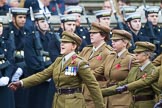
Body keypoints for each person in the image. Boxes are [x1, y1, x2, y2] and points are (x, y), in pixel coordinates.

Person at [8, 31, 105, 108]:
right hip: (58, 101)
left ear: (74, 46)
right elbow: (42, 75)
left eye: (65, 43)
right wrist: (21, 83)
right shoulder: (59, 61)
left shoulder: (79, 63)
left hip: (73, 103)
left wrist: (100, 106)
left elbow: (93, 85)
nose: (62, 44)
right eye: (61, 42)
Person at [102, 41, 161, 108]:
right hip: (133, 103)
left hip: (147, 104)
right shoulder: (134, 69)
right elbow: (122, 84)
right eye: (135, 53)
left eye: (138, 53)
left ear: (147, 55)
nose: (135, 55)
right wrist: (101, 92)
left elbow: (158, 91)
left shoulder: (153, 71)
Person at [93, 29, 138, 108]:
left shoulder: (131, 59)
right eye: (112, 40)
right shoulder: (110, 57)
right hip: (107, 99)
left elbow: (133, 81)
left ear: (125, 42)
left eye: (116, 41)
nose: (112, 43)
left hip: (122, 99)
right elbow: (97, 72)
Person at [79, 22, 114, 108]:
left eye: (94, 33)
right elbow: (71, 67)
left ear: (103, 36)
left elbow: (105, 73)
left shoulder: (108, 52)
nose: (91, 35)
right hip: (81, 92)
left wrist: (81, 74)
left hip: (96, 94)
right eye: (91, 33)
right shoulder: (86, 50)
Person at [24, 10, 53, 108]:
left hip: (50, 77)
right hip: (36, 77)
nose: (45, 24)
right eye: (42, 22)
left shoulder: (52, 37)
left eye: (46, 21)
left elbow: (56, 57)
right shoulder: (30, 38)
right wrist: (44, 73)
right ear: (36, 23)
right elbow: (31, 59)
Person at [3, 7, 29, 108]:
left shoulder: (26, 31)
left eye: (24, 17)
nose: (23, 20)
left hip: (25, 68)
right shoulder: (8, 32)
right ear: (13, 19)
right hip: (12, 70)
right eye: (20, 17)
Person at [0, 17, 15, 108]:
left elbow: (10, 61)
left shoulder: (5, 42)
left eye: (0, 26)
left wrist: (7, 76)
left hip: (6, 82)